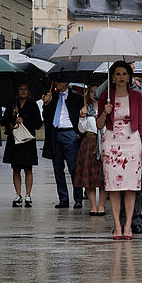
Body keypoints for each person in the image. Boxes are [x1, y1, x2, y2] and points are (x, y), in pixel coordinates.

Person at [96, 62, 142, 240]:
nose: (121, 77)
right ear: (112, 76)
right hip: (111, 142)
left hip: (132, 142)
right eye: (117, 74)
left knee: (131, 187)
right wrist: (105, 111)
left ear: (129, 76)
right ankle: (117, 225)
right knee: (113, 187)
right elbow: (99, 125)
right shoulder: (106, 96)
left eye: (124, 74)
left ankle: (128, 226)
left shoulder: (136, 96)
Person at [41, 80, 85, 209]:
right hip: (55, 133)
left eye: (60, 82)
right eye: (56, 82)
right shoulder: (52, 97)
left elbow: (81, 116)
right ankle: (63, 198)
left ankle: (78, 198)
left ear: (66, 83)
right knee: (57, 168)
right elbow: (46, 116)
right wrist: (46, 104)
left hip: (70, 132)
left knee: (73, 167)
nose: (57, 84)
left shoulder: (76, 97)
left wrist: (77, 133)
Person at [2, 83, 42, 208]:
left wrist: (24, 119)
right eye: (20, 89)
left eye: (25, 89)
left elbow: (38, 124)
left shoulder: (32, 105)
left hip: (27, 140)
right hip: (14, 140)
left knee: (28, 168)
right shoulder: (11, 104)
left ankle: (28, 195)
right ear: (17, 91)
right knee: (16, 168)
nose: (23, 92)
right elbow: (3, 121)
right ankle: (18, 194)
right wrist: (12, 115)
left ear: (29, 91)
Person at [72, 82, 106, 217]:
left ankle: (102, 205)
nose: (94, 94)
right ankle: (93, 206)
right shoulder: (86, 108)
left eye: (97, 91)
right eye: (92, 92)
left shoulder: (106, 108)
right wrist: (82, 116)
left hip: (104, 143)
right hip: (89, 143)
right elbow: (81, 130)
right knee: (89, 177)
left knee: (103, 177)